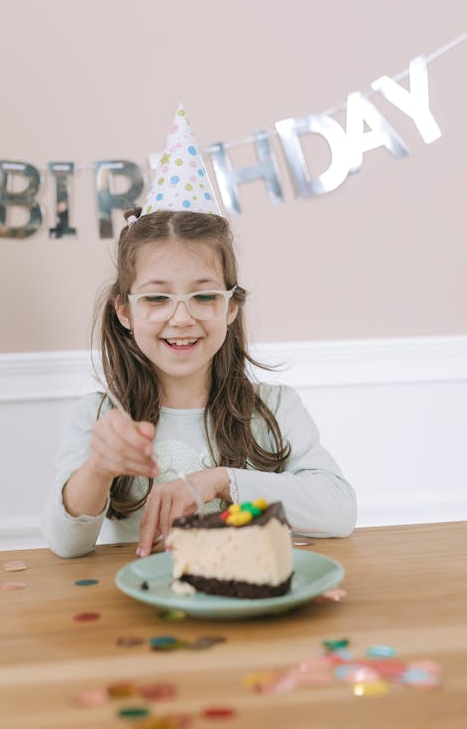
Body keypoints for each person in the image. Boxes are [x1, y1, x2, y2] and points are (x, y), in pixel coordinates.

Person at [42, 207, 357, 558]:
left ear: (231, 307)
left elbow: (339, 512)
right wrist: (98, 469)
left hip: (245, 602)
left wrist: (222, 481)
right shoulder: (99, 417)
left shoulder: (276, 407)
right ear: (125, 311)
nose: (181, 318)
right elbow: (66, 544)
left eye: (204, 296)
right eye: (157, 298)